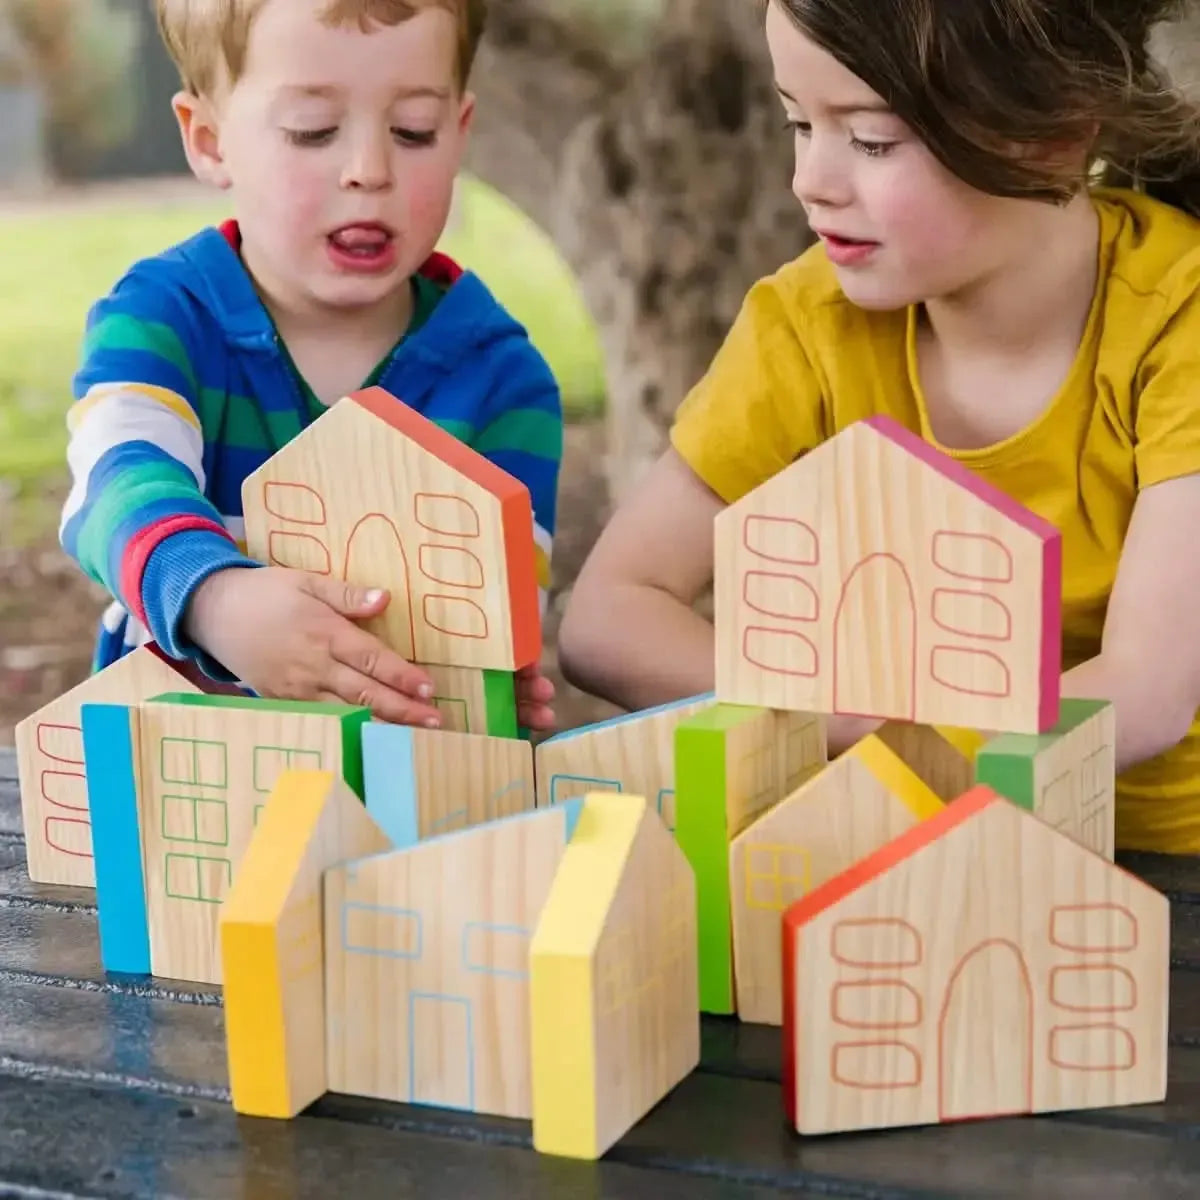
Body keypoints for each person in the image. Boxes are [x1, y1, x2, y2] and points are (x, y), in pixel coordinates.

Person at [559, 0, 1200, 853]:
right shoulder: (806, 326)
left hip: (1155, 858)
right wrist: (847, 719)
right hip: (883, 822)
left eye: (870, 140)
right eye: (799, 123)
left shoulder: (1178, 319)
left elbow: (1148, 692)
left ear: (1051, 134)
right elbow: (608, 616)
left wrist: (900, 752)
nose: (810, 181)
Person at [59, 0, 561, 733]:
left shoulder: (503, 381)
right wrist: (216, 599)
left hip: (405, 775)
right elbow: (113, 487)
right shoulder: (161, 319)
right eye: (313, 130)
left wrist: (490, 690)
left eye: (413, 130)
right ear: (209, 140)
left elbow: (495, 630)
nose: (369, 172)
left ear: (459, 132)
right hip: (174, 766)